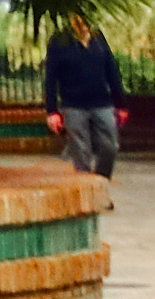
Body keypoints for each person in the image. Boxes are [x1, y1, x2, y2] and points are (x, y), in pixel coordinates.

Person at [43, 16, 127, 185]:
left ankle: (101, 183)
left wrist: (121, 104)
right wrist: (52, 111)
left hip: (102, 102)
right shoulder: (59, 41)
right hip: (74, 105)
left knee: (110, 146)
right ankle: (88, 188)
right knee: (81, 151)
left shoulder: (98, 38)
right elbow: (50, 78)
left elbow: (111, 71)